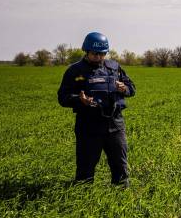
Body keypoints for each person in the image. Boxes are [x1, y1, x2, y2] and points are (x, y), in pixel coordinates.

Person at [57, 32, 136, 185]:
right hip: (88, 126)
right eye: (95, 54)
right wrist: (79, 100)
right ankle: (83, 200)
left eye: (102, 54)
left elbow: (132, 89)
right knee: (85, 171)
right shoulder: (75, 70)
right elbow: (62, 97)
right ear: (86, 51)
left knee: (120, 167)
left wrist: (123, 88)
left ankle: (121, 199)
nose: (99, 57)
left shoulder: (114, 67)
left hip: (115, 124)